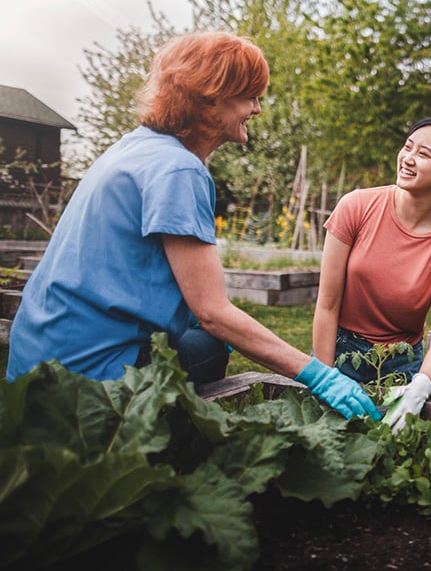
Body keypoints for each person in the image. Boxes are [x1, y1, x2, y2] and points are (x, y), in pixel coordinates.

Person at [6, 31, 381, 422]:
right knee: (213, 343)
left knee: (200, 338)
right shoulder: (178, 169)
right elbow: (213, 312)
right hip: (89, 379)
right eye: (250, 96)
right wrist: (320, 376)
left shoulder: (133, 147)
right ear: (211, 96)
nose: (256, 109)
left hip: (36, 361)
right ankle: (157, 438)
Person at [312, 116, 431, 431]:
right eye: (408, 147)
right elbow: (327, 304)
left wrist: (421, 387)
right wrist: (325, 376)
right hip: (338, 351)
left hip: (400, 367)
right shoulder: (357, 206)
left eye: (424, 154)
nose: (408, 158)